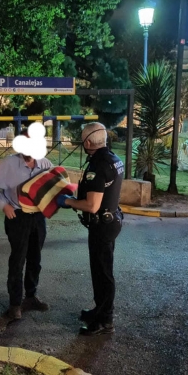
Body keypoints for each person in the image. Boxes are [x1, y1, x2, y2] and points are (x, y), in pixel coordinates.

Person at [57, 122, 124, 335]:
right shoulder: (113, 159)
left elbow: (92, 205)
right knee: (102, 271)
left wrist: (67, 201)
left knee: (102, 273)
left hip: (102, 226)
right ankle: (101, 310)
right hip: (111, 220)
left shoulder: (98, 166)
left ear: (87, 142)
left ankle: (104, 320)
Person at [0, 142, 53, 321]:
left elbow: (53, 188)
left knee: (35, 259)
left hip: (38, 217)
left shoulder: (45, 164)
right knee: (18, 260)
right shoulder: (9, 164)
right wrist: (4, 206)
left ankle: (30, 297)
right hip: (17, 216)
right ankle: (15, 304)